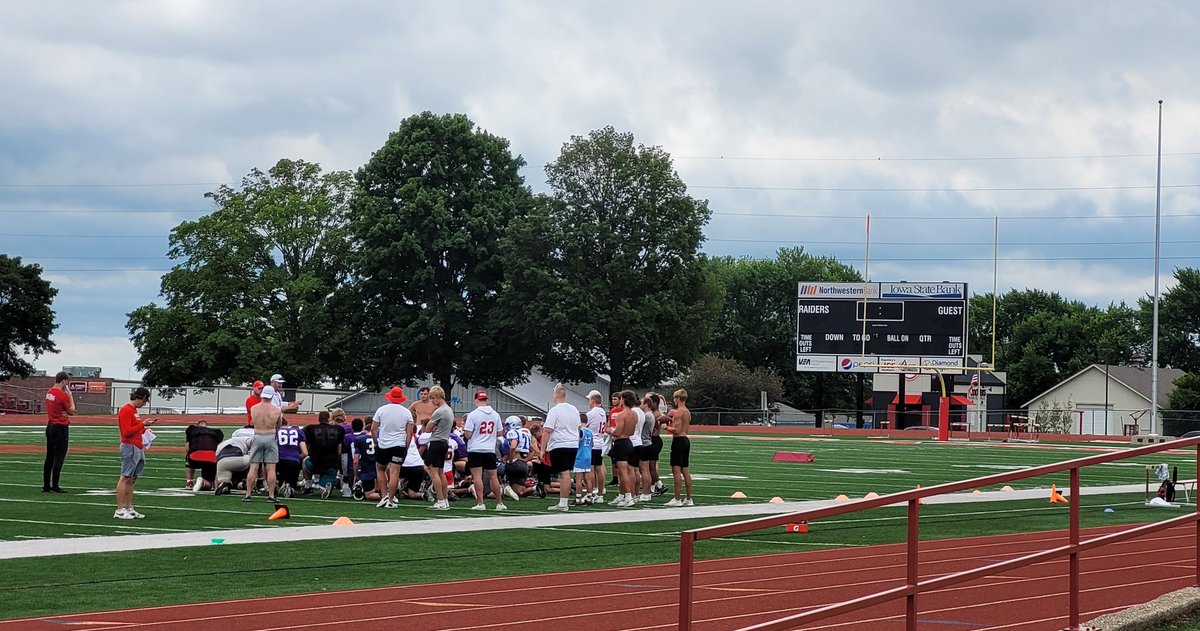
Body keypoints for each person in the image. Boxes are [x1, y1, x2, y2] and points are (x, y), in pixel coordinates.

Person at [115, 387, 156, 519]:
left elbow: (135, 428)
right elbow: (126, 431)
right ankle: (120, 509)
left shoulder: (134, 411)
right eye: (144, 401)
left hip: (137, 446)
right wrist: (142, 424)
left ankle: (128, 507)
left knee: (132, 478)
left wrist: (145, 427)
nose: (144, 404)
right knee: (125, 477)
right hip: (130, 446)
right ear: (141, 398)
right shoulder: (126, 410)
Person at [463, 390, 506, 511]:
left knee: (477, 476)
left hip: (475, 448)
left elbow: (468, 434)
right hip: (489, 449)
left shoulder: (473, 415)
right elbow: (500, 432)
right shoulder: (495, 414)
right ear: (486, 400)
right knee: (493, 476)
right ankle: (499, 503)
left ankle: (481, 503)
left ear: (476, 400)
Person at [371, 386, 413, 509]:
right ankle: (390, 499)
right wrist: (406, 446)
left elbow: (373, 429)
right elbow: (409, 433)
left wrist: (376, 442)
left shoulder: (381, 410)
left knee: (380, 469)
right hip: (399, 445)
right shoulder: (406, 412)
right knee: (395, 473)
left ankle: (384, 495)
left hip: (384, 444)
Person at [541, 384, 581, 512]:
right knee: (566, 473)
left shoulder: (555, 410)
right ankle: (563, 501)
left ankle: (563, 502)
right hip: (573, 444)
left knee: (564, 474)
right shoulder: (574, 409)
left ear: (556, 395)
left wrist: (543, 449)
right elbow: (579, 428)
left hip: (560, 444)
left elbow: (547, 430)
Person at [245, 385, 283, 502]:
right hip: (270, 437)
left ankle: (248, 494)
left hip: (257, 436)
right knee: (271, 468)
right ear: (272, 396)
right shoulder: (277, 410)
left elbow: (251, 422)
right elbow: (279, 425)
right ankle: (271, 495)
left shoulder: (254, 408)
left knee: (254, 467)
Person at [43, 371, 75, 493]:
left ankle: (46, 485)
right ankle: (55, 485)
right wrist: (70, 397)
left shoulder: (49, 392)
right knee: (59, 457)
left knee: (49, 457)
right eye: (67, 382)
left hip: (50, 425)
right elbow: (72, 410)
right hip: (60, 427)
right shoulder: (62, 395)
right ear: (64, 381)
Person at [423, 386, 454, 510]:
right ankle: (445, 499)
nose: (431, 401)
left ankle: (440, 500)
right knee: (441, 472)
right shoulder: (449, 410)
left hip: (436, 442)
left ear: (437, 397)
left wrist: (432, 426)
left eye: (432, 398)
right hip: (445, 442)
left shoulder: (439, 411)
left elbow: (427, 429)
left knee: (433, 471)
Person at [606, 390, 639, 507]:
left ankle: (628, 496)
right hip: (629, 442)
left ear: (623, 400)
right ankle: (626, 496)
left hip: (621, 443)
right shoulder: (634, 414)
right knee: (629, 471)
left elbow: (617, 432)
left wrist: (609, 430)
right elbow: (632, 431)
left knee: (622, 472)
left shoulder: (622, 415)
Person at [303, 411, 346, 499]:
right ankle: (325, 486)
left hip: (314, 463)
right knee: (323, 488)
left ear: (319, 419)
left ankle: (308, 487)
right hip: (331, 464)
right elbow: (339, 449)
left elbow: (307, 446)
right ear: (329, 418)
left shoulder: (310, 429)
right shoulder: (339, 429)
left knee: (305, 461)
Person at [665, 388, 694, 507]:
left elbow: (676, 430)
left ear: (678, 398)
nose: (673, 400)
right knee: (685, 470)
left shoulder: (678, 412)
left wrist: (665, 427)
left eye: (674, 398)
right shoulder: (687, 411)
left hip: (678, 441)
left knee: (676, 470)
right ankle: (689, 498)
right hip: (685, 440)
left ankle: (677, 498)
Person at [185, 420, 224, 492]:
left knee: (188, 459)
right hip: (211, 459)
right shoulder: (214, 432)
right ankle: (206, 482)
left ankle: (189, 482)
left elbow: (187, 449)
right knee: (209, 483)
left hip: (195, 458)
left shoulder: (193, 431)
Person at [349, 418, 380, 502]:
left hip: (367, 470)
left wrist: (356, 475)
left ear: (365, 429)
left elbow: (355, 461)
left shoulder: (360, 439)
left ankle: (386, 495)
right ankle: (389, 493)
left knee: (369, 495)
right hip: (380, 469)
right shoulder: (380, 439)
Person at [275, 419, 306, 498]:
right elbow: (305, 453)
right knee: (292, 470)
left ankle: (273, 485)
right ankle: (290, 486)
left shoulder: (275, 431)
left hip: (279, 460)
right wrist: (296, 457)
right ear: (288, 424)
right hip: (294, 461)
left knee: (267, 463)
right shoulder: (298, 432)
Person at [585, 390, 607, 504]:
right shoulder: (602, 412)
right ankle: (600, 492)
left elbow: (583, 425)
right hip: (600, 443)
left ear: (593, 401)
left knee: (591, 469)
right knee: (599, 469)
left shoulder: (592, 413)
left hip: (592, 444)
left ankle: (593, 491)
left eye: (589, 400)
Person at [647, 393, 668, 496]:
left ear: (655, 403)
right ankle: (652, 488)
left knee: (651, 466)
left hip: (654, 440)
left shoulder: (655, 414)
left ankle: (660, 485)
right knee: (651, 466)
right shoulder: (655, 413)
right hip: (654, 440)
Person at [572, 415, 594, 506]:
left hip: (580, 456)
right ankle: (589, 497)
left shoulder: (581, 431)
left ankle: (578, 498)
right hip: (588, 455)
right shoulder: (590, 431)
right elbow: (592, 444)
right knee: (587, 478)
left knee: (579, 479)